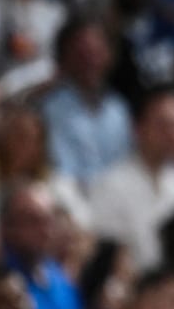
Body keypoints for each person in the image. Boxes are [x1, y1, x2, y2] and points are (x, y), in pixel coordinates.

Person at [89, 85, 174, 270]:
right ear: (138, 128)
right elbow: (108, 254)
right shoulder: (111, 185)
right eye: (163, 125)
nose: (172, 134)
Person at [0, 182, 86, 309]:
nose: (44, 229)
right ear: (6, 226)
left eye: (48, 219)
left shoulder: (61, 279)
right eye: (32, 220)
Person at [40, 18, 133, 187]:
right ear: (64, 58)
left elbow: (126, 164)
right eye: (81, 54)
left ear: (109, 55)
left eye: (96, 52)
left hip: (119, 199)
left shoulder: (119, 108)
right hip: (73, 200)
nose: (90, 61)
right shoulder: (51, 108)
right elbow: (62, 171)